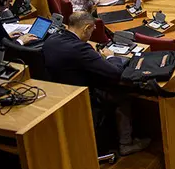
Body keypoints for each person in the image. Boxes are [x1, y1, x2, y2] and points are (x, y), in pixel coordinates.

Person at [43, 11, 151, 156]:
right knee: (122, 93)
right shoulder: (80, 49)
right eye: (92, 30)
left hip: (61, 94)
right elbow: (114, 73)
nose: (91, 34)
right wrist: (111, 57)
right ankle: (126, 143)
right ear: (86, 27)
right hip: (83, 96)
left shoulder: (52, 39)